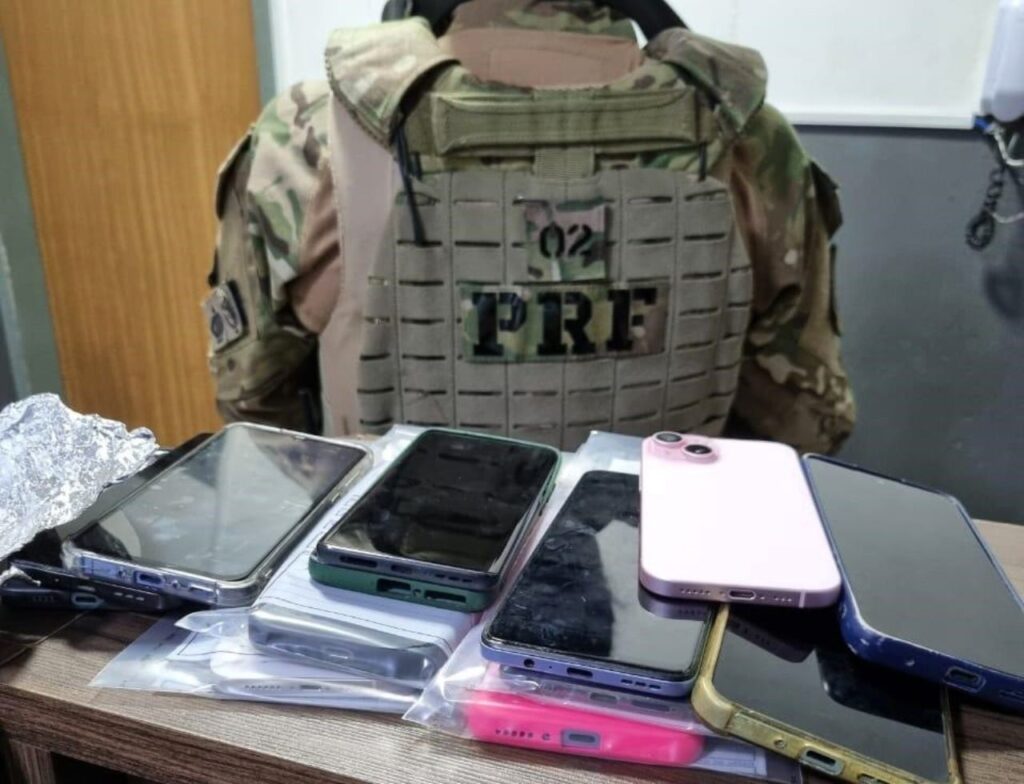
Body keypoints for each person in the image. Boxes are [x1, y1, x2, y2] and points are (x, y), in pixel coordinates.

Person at [205, 0, 855, 454]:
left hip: (389, 586)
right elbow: (807, 421)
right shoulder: (748, 134)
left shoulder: (313, 129)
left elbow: (252, 400)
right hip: (654, 582)